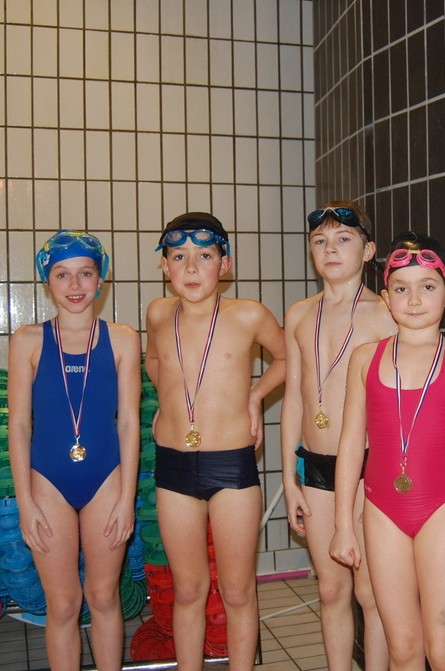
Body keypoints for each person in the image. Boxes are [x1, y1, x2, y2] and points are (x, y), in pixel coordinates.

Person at [329, 232, 445, 671]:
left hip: (442, 509)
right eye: (401, 289)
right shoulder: (365, 358)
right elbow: (351, 445)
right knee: (402, 647)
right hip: (381, 509)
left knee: (443, 646)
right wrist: (343, 524)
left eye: (428, 287)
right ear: (386, 298)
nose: (415, 300)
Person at [144, 212, 286, 671]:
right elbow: (153, 360)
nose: (190, 268)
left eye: (204, 256)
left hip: (231, 466)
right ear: (164, 265)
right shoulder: (158, 313)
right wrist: (169, 400)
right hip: (174, 466)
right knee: (187, 589)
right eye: (178, 256)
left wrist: (255, 395)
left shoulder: (248, 314)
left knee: (238, 590)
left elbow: (287, 357)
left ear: (224, 265)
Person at [9, 230, 141, 671]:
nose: (75, 285)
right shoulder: (27, 340)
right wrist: (25, 503)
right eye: (62, 275)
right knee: (63, 603)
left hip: (107, 480)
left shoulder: (123, 338)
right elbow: (19, 425)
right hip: (47, 482)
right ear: (47, 282)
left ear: (101, 280)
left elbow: (128, 423)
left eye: (85, 273)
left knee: (103, 596)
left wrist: (126, 499)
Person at [281, 202, 395, 671]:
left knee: (371, 593)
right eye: (320, 241)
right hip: (315, 467)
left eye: (343, 239)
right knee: (331, 589)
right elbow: (293, 398)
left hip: (368, 469)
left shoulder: (386, 313)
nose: (330, 249)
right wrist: (289, 479)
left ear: (368, 251)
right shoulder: (299, 314)